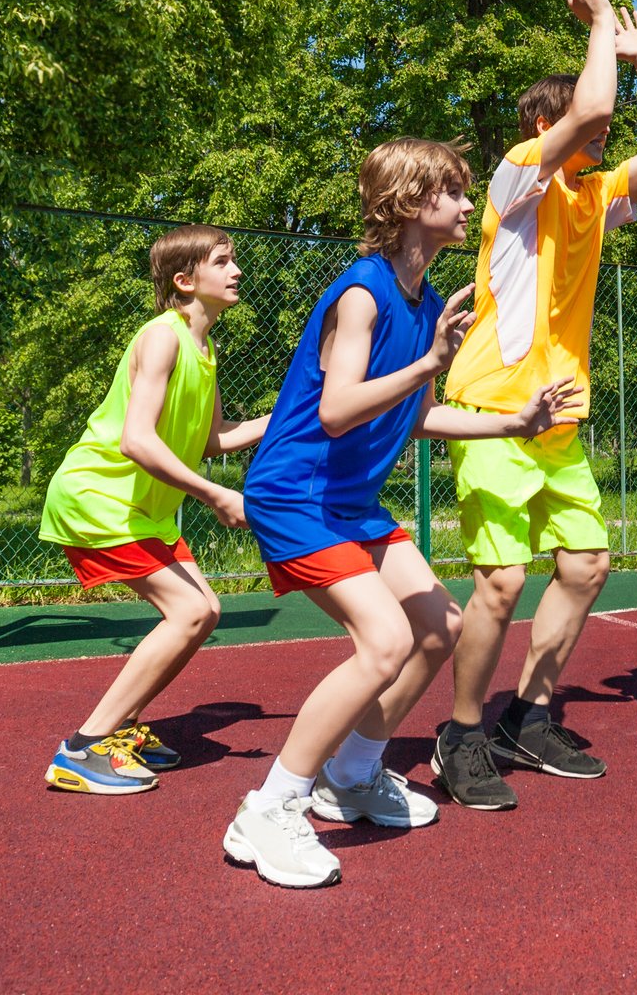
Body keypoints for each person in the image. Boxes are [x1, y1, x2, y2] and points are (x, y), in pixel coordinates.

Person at [222, 139, 576, 889]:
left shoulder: (421, 306)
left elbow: (420, 419)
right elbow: (340, 407)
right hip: (297, 494)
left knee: (440, 626)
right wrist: (426, 367)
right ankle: (269, 808)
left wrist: (516, 423)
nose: (463, 205)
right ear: (413, 202)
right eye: (451, 192)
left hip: (349, 501)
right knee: (382, 641)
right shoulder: (363, 293)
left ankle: (350, 774)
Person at [436, 0, 637, 809]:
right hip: (491, 414)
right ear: (547, 129)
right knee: (502, 584)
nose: (602, 130)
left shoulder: (592, 195)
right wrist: (594, 27)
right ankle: (462, 734)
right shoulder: (518, 181)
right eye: (584, 123)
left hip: (559, 419)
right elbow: (592, 114)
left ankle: (529, 715)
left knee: (585, 567)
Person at [38, 225, 268, 795]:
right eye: (223, 261)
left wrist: (293, 414)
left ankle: (123, 731)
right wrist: (214, 494)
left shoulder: (207, 347)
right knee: (189, 613)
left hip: (143, 509)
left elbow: (213, 439)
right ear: (185, 280)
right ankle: (84, 748)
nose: (235, 270)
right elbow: (137, 440)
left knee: (205, 611)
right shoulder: (162, 337)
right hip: (101, 499)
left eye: (234, 260)